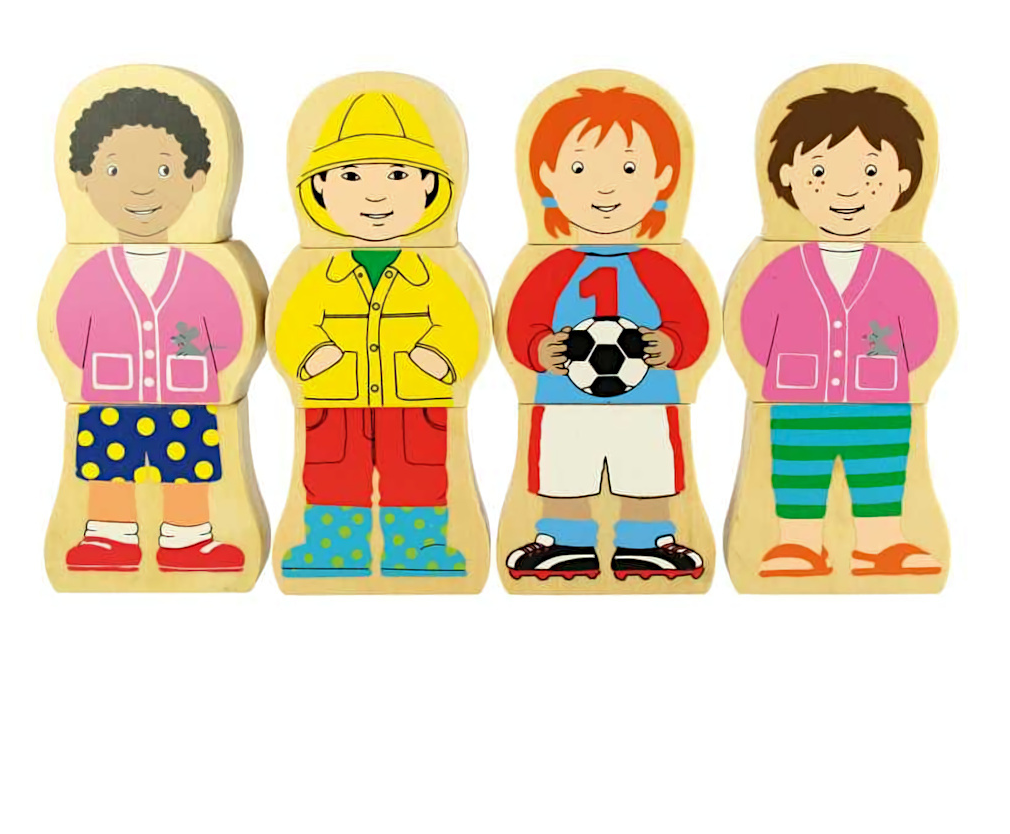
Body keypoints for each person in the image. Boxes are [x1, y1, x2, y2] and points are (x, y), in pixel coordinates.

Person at [504, 87, 709, 581]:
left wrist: (672, 344)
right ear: (546, 178)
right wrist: (539, 348)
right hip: (562, 400)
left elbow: (694, 323)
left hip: (648, 399)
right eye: (579, 169)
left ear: (664, 178)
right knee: (563, 471)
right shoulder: (549, 266)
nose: (605, 188)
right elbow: (519, 324)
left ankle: (646, 542)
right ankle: (565, 541)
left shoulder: (663, 266)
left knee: (648, 471)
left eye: (629, 169)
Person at [275, 91, 479, 577]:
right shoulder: (315, 275)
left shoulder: (436, 274)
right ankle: (333, 549)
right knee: (331, 471)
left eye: (397, 176)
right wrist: (309, 357)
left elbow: (463, 329)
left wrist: (442, 359)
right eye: (350, 176)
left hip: (416, 399)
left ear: (429, 184)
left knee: (419, 474)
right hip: (334, 399)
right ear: (319, 186)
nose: (375, 195)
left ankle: (419, 550)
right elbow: (289, 329)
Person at [742, 86, 941, 577]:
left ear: (903, 180)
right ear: (787, 176)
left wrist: (891, 371)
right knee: (797, 474)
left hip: (880, 402)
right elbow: (752, 329)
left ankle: (880, 543)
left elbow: (924, 335)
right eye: (819, 173)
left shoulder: (902, 271)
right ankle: (797, 544)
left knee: (880, 476)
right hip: (797, 400)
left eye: (871, 173)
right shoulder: (780, 267)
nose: (847, 191)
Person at [57, 87, 245, 572]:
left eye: (163, 171)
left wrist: (202, 367)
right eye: (114, 171)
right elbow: (68, 333)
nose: (140, 190)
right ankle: (108, 538)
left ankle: (188, 541)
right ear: (83, 180)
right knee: (108, 467)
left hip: (186, 394)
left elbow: (229, 333)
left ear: (197, 179)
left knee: (186, 468)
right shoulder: (89, 271)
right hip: (109, 394)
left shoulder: (205, 270)